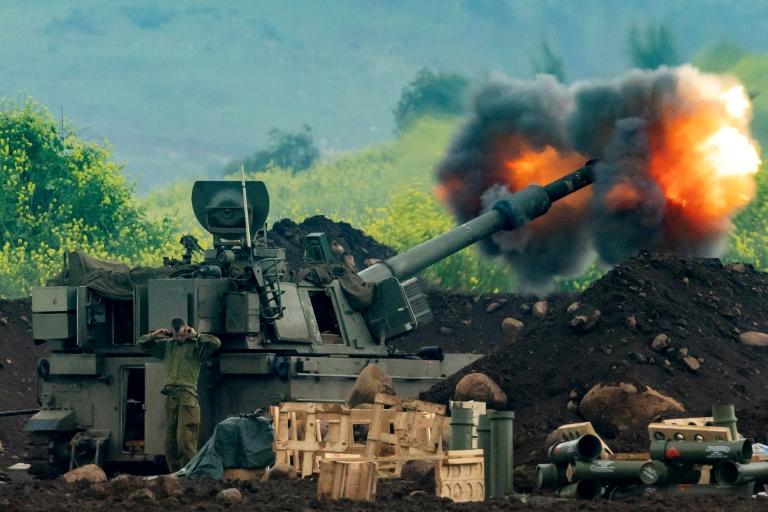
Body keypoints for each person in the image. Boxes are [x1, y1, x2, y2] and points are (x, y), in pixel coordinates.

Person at [138, 317, 221, 472]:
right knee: (170, 444)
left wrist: (196, 335)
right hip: (171, 397)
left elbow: (216, 343)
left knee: (185, 441)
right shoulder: (167, 346)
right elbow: (142, 344)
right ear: (172, 333)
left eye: (182, 334)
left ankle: (189, 475)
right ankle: (177, 475)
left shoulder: (196, 347)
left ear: (186, 330)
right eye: (177, 335)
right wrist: (154, 335)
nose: (180, 338)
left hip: (187, 397)